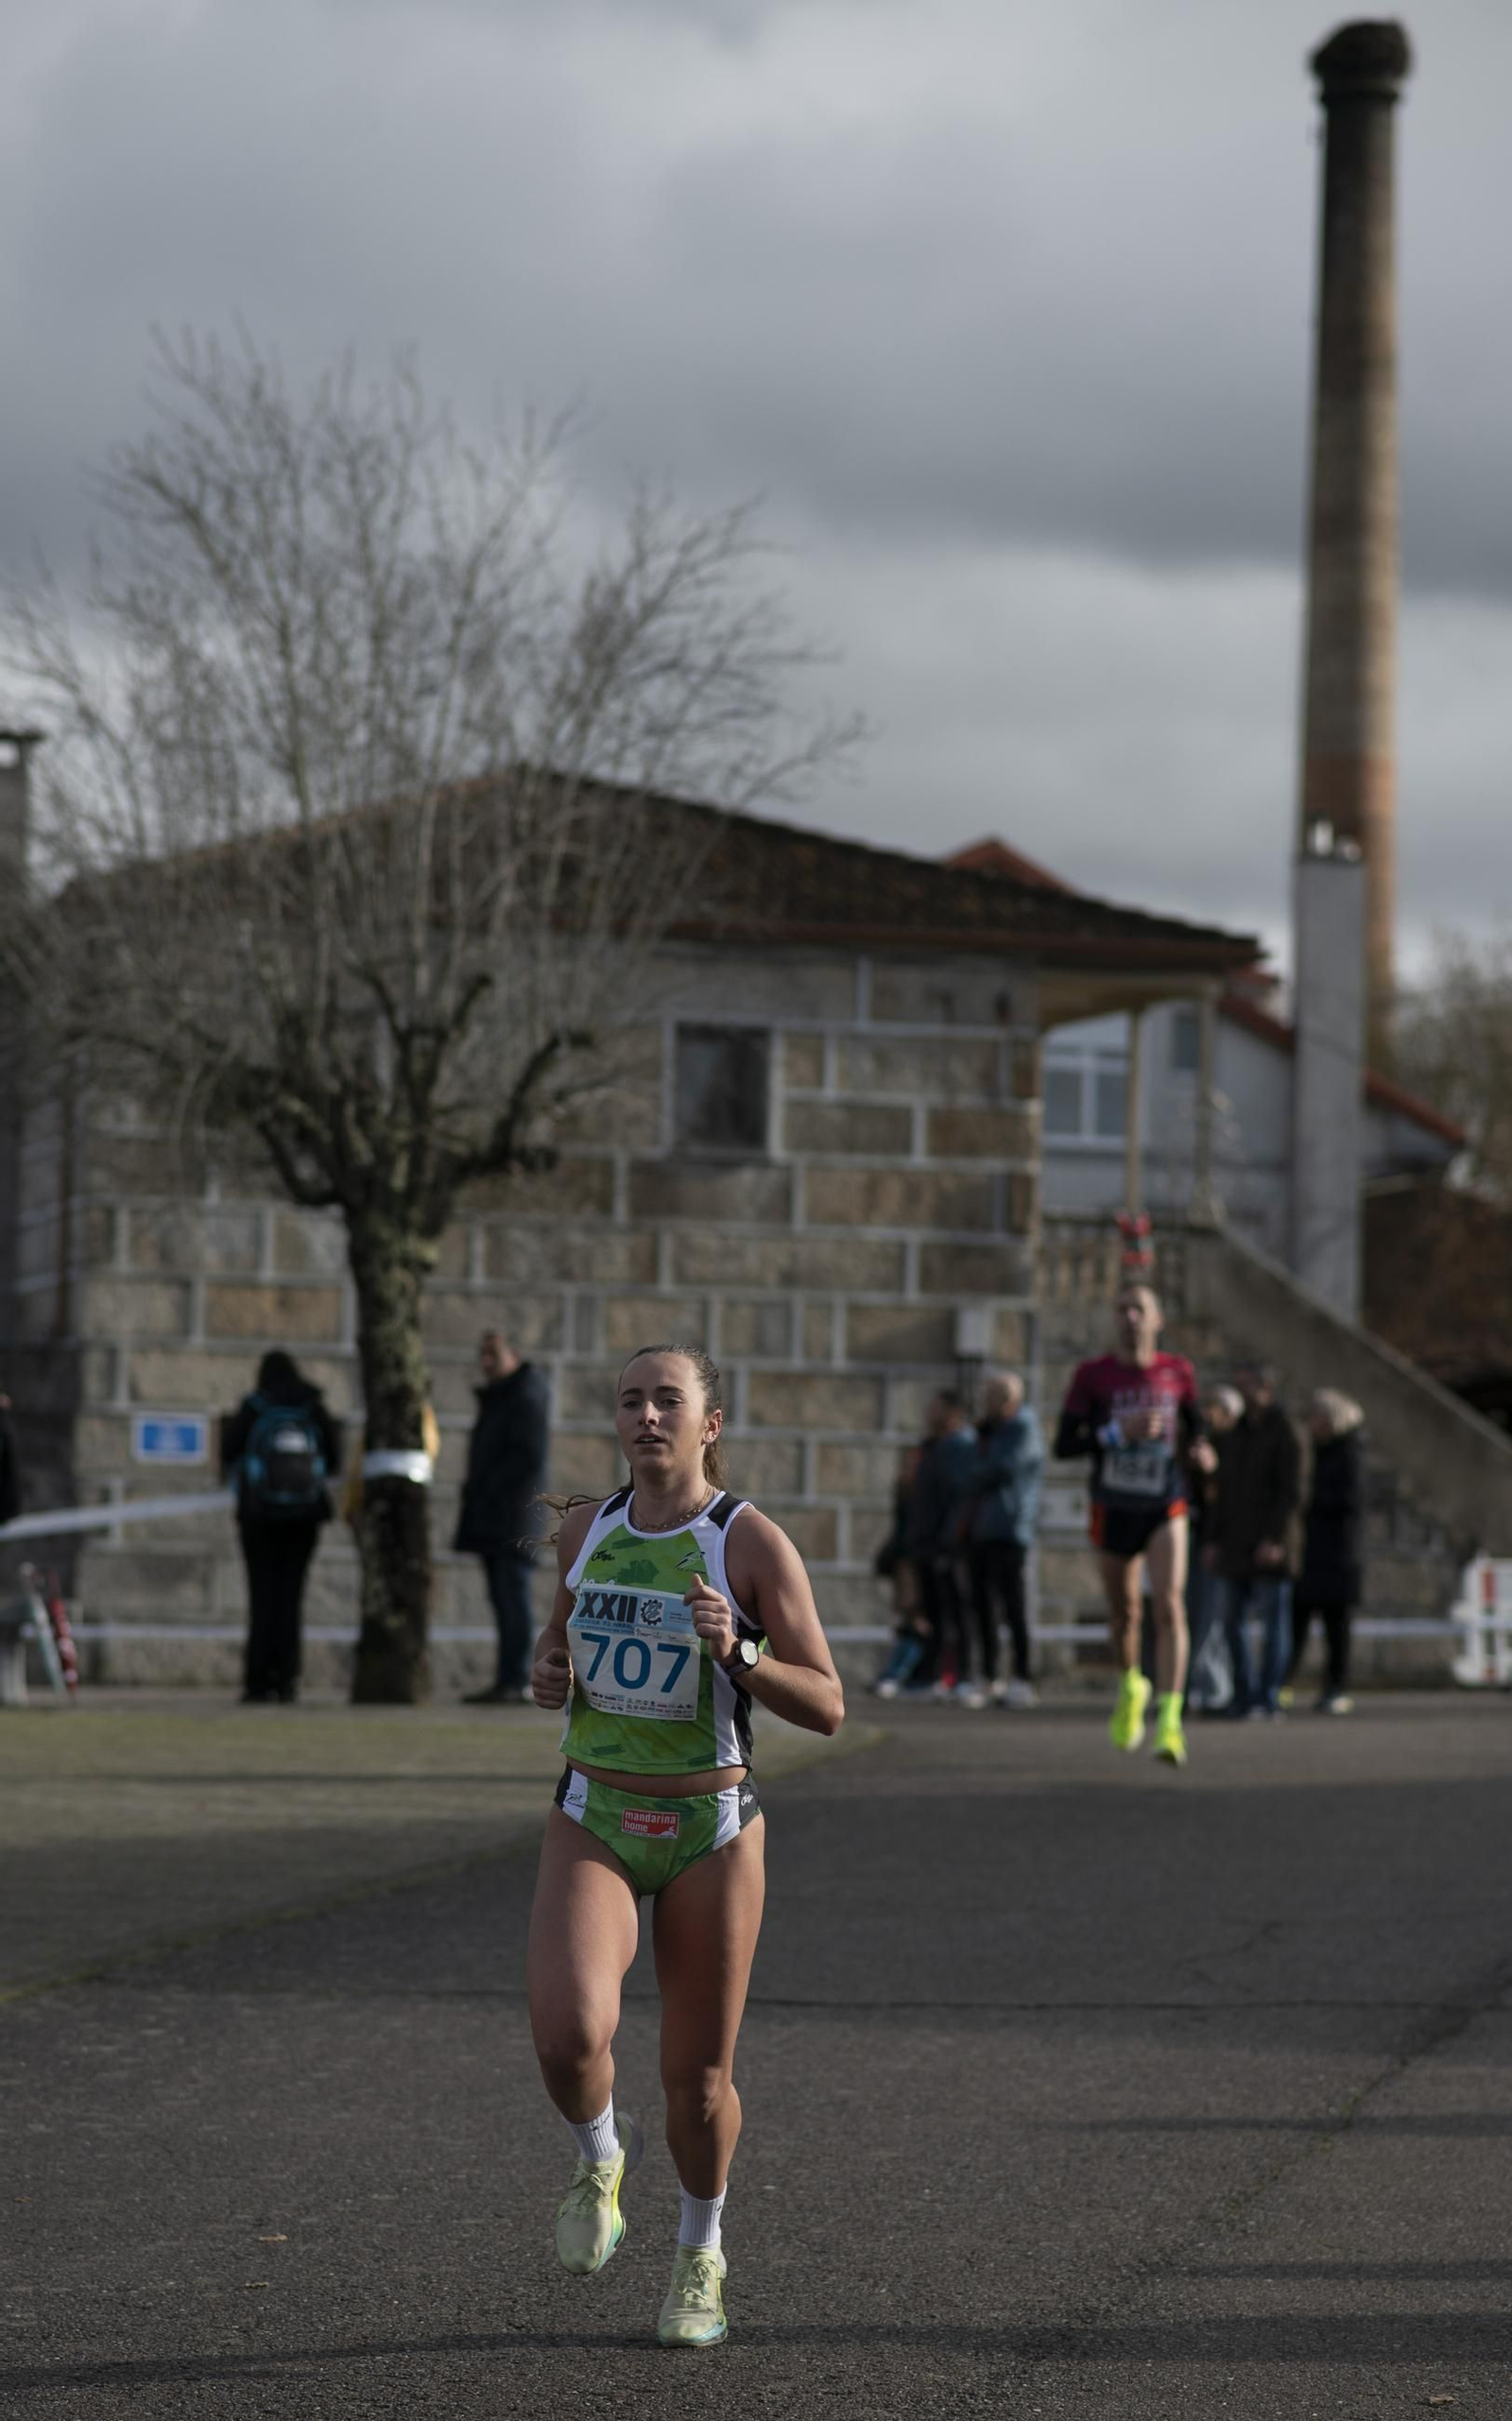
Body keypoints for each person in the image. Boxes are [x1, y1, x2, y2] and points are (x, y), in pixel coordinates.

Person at [527, 1343, 843, 2349]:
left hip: (710, 1827)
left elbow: (829, 1703)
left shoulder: (747, 1542)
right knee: (569, 2036)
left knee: (697, 2084)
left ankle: (700, 2250)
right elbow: (560, 1637)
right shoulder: (586, 1527)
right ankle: (597, 2157)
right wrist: (546, 1667)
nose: (647, 1417)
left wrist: (740, 1651)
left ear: (711, 1424)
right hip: (597, 1814)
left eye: (670, 1401)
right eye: (631, 1401)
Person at [1056, 1281, 1210, 1767]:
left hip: (1165, 1502)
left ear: (1157, 1320)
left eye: (1139, 1309)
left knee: (1169, 1604)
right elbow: (1065, 1445)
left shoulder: (1177, 1372)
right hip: (1114, 1504)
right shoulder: (1092, 1376)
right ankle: (1131, 1687)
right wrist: (1116, 1432)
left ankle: (1170, 1720)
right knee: (1125, 1614)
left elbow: (1197, 1429)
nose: (1130, 1317)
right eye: (1121, 1309)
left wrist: (1204, 1452)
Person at [220, 1350, 341, 1705]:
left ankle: (258, 1681)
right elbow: (332, 1458)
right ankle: (288, 1679)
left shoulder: (255, 1406)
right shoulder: (313, 1406)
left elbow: (230, 1451)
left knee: (262, 1597)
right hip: (304, 1518)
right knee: (292, 1598)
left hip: (258, 1517)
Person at [454, 1329, 550, 1706]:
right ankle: (507, 1678)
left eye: (492, 1355)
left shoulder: (524, 1396)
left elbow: (527, 1457)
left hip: (511, 1519)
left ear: (513, 1353)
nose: (485, 1364)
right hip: (497, 1516)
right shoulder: (504, 1396)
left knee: (513, 1599)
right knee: (502, 1599)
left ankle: (517, 1678)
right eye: (483, 1354)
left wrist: (489, 1489)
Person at [1207, 1360, 1301, 1719]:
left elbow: (1291, 1492)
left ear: (1266, 1388)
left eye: (1248, 1387)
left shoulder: (1286, 1431)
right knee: (1231, 1623)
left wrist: (1276, 1538)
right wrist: (1213, 1539)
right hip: (1234, 1542)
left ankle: (1269, 1695)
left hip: (1269, 1544)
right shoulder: (1236, 1434)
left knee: (1274, 1624)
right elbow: (1222, 1490)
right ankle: (1243, 1693)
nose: (1242, 1394)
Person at [962, 1370, 1044, 1708]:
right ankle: (990, 1677)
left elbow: (998, 1470)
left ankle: (1023, 1678)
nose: (984, 1402)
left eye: (991, 1395)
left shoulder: (1023, 1428)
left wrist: (978, 1456)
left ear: (1008, 1400)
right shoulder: (995, 1432)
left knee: (1014, 1606)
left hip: (1011, 1529)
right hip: (985, 1528)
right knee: (983, 1605)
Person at [1288, 1389, 1366, 1714]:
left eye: (1317, 1416)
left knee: (1337, 1629)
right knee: (1296, 1623)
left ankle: (1336, 1688)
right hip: (1311, 1553)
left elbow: (1349, 1500)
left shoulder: (1349, 1453)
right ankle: (1281, 1682)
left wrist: (1310, 1501)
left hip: (1339, 1555)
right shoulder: (1314, 1452)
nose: (1311, 1423)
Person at [903, 1390, 978, 1702]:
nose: (928, 1414)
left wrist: (950, 1541)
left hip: (946, 1544)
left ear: (952, 1413)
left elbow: (959, 1498)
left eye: (935, 1409)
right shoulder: (935, 1447)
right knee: (933, 1612)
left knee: (956, 1613)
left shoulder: (960, 1446)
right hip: (927, 1542)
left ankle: (964, 1676)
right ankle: (931, 1676)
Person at [1185, 1384, 1243, 1715]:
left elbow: (1229, 1495)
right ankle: (1196, 1685)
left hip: (1222, 1543)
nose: (1208, 1415)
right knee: (1193, 1615)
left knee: (1214, 1617)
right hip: (1200, 1536)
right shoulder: (1201, 1442)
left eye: (1216, 1408)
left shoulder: (1235, 1447)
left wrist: (1213, 1471)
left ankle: (1216, 1687)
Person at [871, 1445, 933, 1698]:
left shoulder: (924, 1491)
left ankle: (905, 1673)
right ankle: (897, 1672)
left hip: (918, 1558)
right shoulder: (904, 1490)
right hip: (904, 1558)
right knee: (906, 1616)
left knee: (917, 1616)